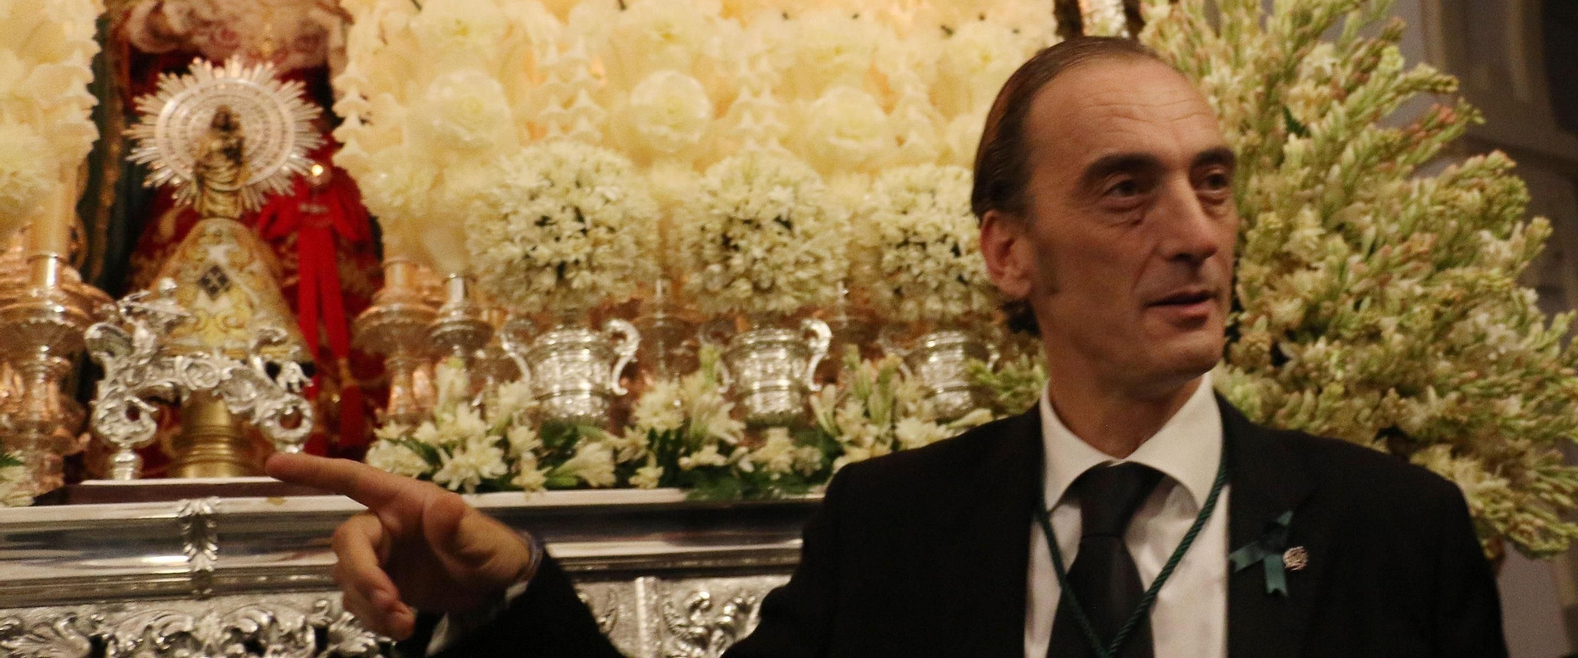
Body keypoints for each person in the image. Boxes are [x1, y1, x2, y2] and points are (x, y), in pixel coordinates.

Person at [270, 36, 1507, 657]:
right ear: (1008, 253)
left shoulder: (1392, 529)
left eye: (1213, 182)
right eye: (1127, 190)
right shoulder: (894, 526)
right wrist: (508, 591)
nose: (1196, 235)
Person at [108, 0, 383, 455]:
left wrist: (346, 30)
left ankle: (311, 441)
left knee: (312, 294)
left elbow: (364, 94)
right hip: (205, 167)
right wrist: (163, 24)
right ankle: (178, 438)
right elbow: (138, 63)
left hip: (305, 177)